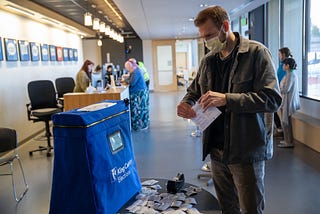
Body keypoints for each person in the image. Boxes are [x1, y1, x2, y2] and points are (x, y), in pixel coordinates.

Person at [176, 6, 282, 214]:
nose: (206, 42)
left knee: (251, 208)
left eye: (209, 35)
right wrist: (186, 103)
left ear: (225, 26)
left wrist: (227, 99)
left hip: (246, 152)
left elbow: (272, 99)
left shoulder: (256, 53)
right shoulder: (208, 60)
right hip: (216, 151)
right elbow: (194, 90)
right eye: (203, 37)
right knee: (227, 208)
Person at [278, 58, 300, 148]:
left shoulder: (291, 75)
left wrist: (279, 90)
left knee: (286, 122)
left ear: (287, 66)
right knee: (285, 122)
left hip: (288, 101)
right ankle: (287, 140)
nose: (283, 66)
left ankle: (289, 142)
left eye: (284, 64)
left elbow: (286, 89)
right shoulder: (289, 74)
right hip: (285, 100)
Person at [124, 60, 150, 131]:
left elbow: (132, 83)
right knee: (140, 109)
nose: (127, 69)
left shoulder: (136, 72)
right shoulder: (136, 70)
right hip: (139, 91)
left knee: (138, 109)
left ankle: (139, 126)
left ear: (130, 66)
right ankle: (140, 125)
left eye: (127, 68)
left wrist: (125, 81)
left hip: (138, 93)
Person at [274, 47, 293, 138]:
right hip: (280, 91)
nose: (279, 56)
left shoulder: (286, 67)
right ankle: (280, 130)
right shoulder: (282, 65)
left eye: (280, 54)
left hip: (282, 93)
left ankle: (281, 131)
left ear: (284, 55)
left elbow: (284, 83)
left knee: (284, 118)